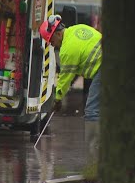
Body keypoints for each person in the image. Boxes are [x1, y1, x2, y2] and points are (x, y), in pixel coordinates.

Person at [39, 15, 102, 165]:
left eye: (52, 41)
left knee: (92, 111)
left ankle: (94, 156)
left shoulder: (67, 50)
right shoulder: (78, 28)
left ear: (58, 33)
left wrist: (58, 99)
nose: (53, 46)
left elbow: (65, 78)